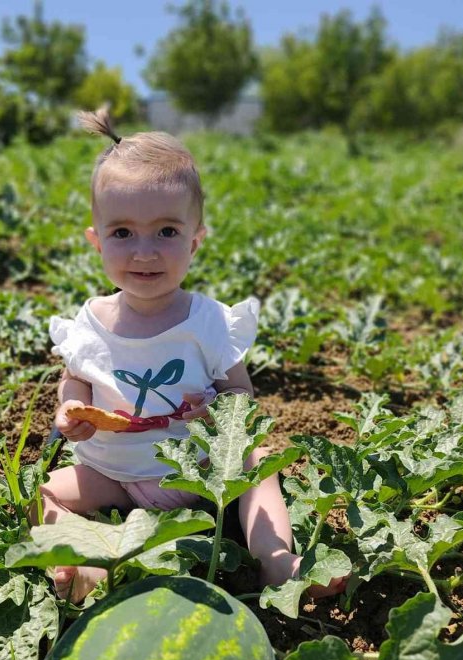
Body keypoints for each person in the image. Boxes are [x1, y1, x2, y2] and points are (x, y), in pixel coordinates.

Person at [31, 109, 346, 603]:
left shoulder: (210, 322)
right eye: (122, 234)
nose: (144, 252)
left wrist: (218, 411)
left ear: (195, 240)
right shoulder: (90, 321)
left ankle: (274, 559)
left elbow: (241, 393)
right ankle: (85, 561)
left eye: (166, 233)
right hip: (113, 474)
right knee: (39, 490)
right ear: (96, 242)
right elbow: (74, 379)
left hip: (199, 472)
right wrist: (69, 408)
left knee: (257, 462)